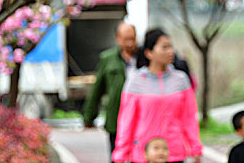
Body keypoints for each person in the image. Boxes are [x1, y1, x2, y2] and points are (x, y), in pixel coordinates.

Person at [112, 28, 203, 163]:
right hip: (144, 153)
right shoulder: (135, 81)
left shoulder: (181, 80)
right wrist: (121, 152)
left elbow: (189, 117)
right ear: (149, 53)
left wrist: (195, 147)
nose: (170, 52)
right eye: (164, 47)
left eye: (170, 47)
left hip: (174, 152)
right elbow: (126, 121)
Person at [83, 22, 138, 160]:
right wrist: (89, 116)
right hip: (116, 118)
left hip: (139, 119)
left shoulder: (143, 58)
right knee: (117, 156)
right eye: (126, 39)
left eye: (133, 38)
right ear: (117, 39)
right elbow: (97, 90)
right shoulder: (107, 59)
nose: (130, 43)